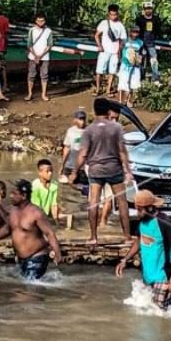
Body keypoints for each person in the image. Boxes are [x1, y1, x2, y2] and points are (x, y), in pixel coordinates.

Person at [68, 98, 134, 243]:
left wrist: (74, 172)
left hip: (96, 170)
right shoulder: (116, 128)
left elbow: (83, 154)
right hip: (114, 169)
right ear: (108, 111)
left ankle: (93, 237)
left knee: (94, 202)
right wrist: (128, 171)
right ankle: (127, 236)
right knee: (122, 202)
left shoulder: (89, 130)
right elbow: (122, 151)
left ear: (94, 111)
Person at [0, 180, 61, 281]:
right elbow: (7, 229)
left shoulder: (36, 213)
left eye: (14, 194)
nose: (10, 196)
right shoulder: (13, 211)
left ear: (24, 196)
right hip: (22, 259)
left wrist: (57, 253)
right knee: (23, 287)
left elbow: (49, 233)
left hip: (37, 257)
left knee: (26, 291)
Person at [115, 190, 171, 310]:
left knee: (160, 315)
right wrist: (125, 260)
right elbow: (138, 241)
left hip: (163, 277)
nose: (137, 213)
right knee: (150, 314)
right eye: (137, 209)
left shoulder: (164, 222)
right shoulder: (142, 222)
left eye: (140, 209)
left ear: (150, 208)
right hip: (148, 277)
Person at [94, 4, 127, 96]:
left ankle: (108, 90)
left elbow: (122, 40)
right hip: (104, 51)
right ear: (109, 14)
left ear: (117, 14)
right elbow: (96, 35)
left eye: (115, 14)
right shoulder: (104, 23)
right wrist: (99, 46)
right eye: (111, 14)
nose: (113, 16)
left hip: (114, 52)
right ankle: (97, 89)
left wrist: (119, 50)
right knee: (99, 71)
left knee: (112, 71)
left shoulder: (120, 26)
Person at [25, 12, 54, 102]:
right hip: (33, 56)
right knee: (31, 75)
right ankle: (30, 93)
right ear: (35, 21)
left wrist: (40, 55)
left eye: (42, 20)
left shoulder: (49, 31)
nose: (41, 22)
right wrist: (35, 55)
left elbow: (49, 45)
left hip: (44, 56)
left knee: (44, 75)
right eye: (39, 20)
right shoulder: (32, 30)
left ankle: (43, 94)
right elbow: (29, 44)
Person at [135, 1, 162, 84]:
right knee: (140, 61)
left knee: (154, 60)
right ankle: (139, 78)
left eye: (150, 9)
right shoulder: (139, 19)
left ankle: (156, 79)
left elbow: (158, 30)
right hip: (140, 43)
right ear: (144, 9)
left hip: (151, 43)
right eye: (146, 9)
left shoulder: (156, 19)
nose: (148, 10)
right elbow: (136, 30)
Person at [118, 25, 144, 107]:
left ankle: (129, 101)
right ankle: (120, 101)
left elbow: (142, 53)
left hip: (135, 66)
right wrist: (120, 60)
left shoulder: (140, 42)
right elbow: (119, 50)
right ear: (130, 32)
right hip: (125, 65)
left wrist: (140, 61)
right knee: (122, 82)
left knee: (133, 84)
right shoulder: (125, 41)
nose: (135, 34)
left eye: (137, 32)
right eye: (133, 32)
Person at [61, 110, 87, 182]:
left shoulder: (89, 131)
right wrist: (62, 165)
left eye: (83, 119)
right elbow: (67, 148)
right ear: (75, 120)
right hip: (69, 166)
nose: (82, 121)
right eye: (80, 119)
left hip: (83, 168)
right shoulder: (70, 131)